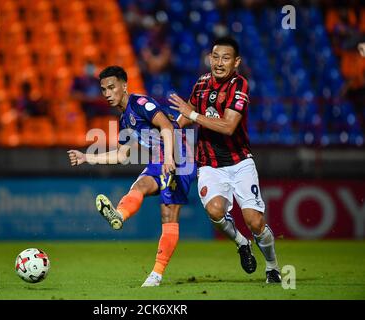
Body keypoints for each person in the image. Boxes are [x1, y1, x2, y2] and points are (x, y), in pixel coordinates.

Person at [68, 66, 196, 287]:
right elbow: (120, 155)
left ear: (124, 86)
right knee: (138, 186)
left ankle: (156, 274)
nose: (107, 93)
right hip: (158, 159)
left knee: (168, 214)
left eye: (111, 87)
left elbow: (166, 125)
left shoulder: (140, 104)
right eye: (103, 90)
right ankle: (119, 215)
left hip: (180, 157)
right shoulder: (125, 120)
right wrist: (86, 157)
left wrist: (169, 159)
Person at [168, 37, 281, 283]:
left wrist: (192, 114)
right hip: (209, 164)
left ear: (236, 62)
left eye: (226, 58)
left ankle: (272, 266)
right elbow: (187, 114)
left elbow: (229, 126)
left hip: (240, 163)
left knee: (255, 221)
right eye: (215, 57)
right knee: (215, 211)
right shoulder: (201, 84)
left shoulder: (240, 85)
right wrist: (169, 128)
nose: (219, 63)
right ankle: (242, 244)